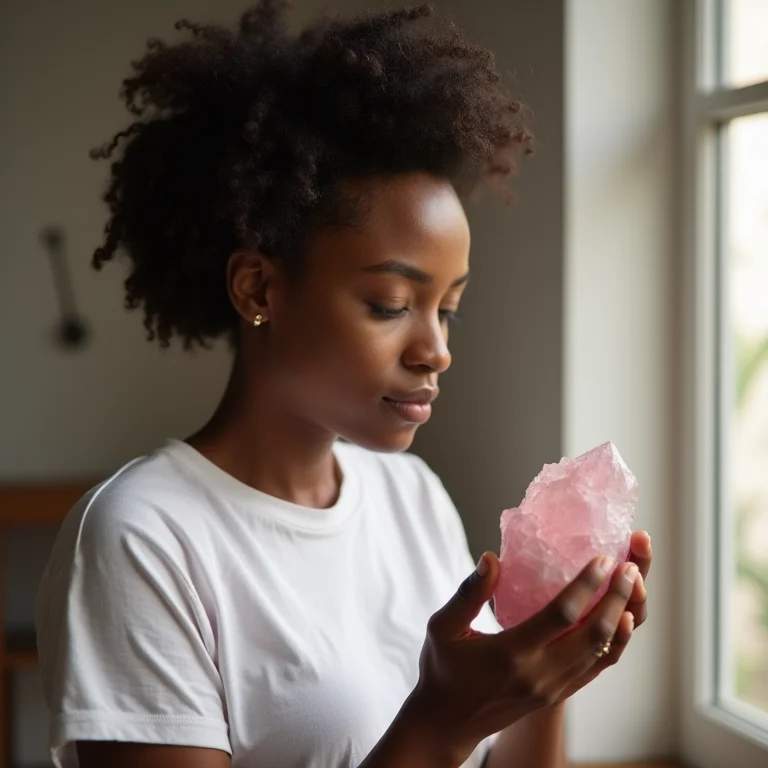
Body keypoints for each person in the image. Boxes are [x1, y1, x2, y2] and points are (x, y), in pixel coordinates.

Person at [35, 3, 652, 767]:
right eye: (392, 305)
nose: (436, 350)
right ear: (260, 289)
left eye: (448, 308)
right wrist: (442, 721)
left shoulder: (412, 496)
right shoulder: (142, 538)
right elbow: (445, 733)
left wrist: (544, 676)